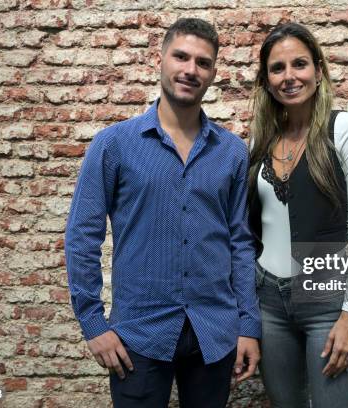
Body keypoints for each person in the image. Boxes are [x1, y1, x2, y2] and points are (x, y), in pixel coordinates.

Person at [65, 18, 261, 408]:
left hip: (215, 333)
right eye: (181, 57)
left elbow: (241, 242)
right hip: (138, 333)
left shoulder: (232, 152)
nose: (191, 70)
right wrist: (92, 324)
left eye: (203, 62)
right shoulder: (114, 145)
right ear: (160, 59)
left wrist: (248, 326)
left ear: (214, 73)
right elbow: (82, 236)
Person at [247, 23, 348, 407]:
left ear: (318, 71)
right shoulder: (260, 140)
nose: (289, 77)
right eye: (277, 68)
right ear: (267, 80)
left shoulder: (346, 129)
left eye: (299, 64)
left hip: (327, 302)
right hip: (268, 302)